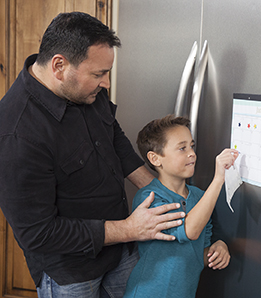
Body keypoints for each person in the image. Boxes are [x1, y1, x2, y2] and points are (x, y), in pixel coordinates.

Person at [0, 12, 187, 298]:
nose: (107, 84)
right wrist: (129, 229)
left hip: (120, 251)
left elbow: (114, 138)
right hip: (70, 272)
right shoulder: (16, 133)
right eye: (98, 74)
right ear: (59, 66)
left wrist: (160, 190)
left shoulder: (83, 90)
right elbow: (37, 233)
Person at [123, 115, 239, 298]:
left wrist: (217, 248)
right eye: (182, 148)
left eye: (191, 146)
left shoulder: (201, 197)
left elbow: (196, 252)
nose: (191, 153)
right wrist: (218, 179)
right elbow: (189, 230)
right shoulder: (149, 199)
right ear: (155, 159)